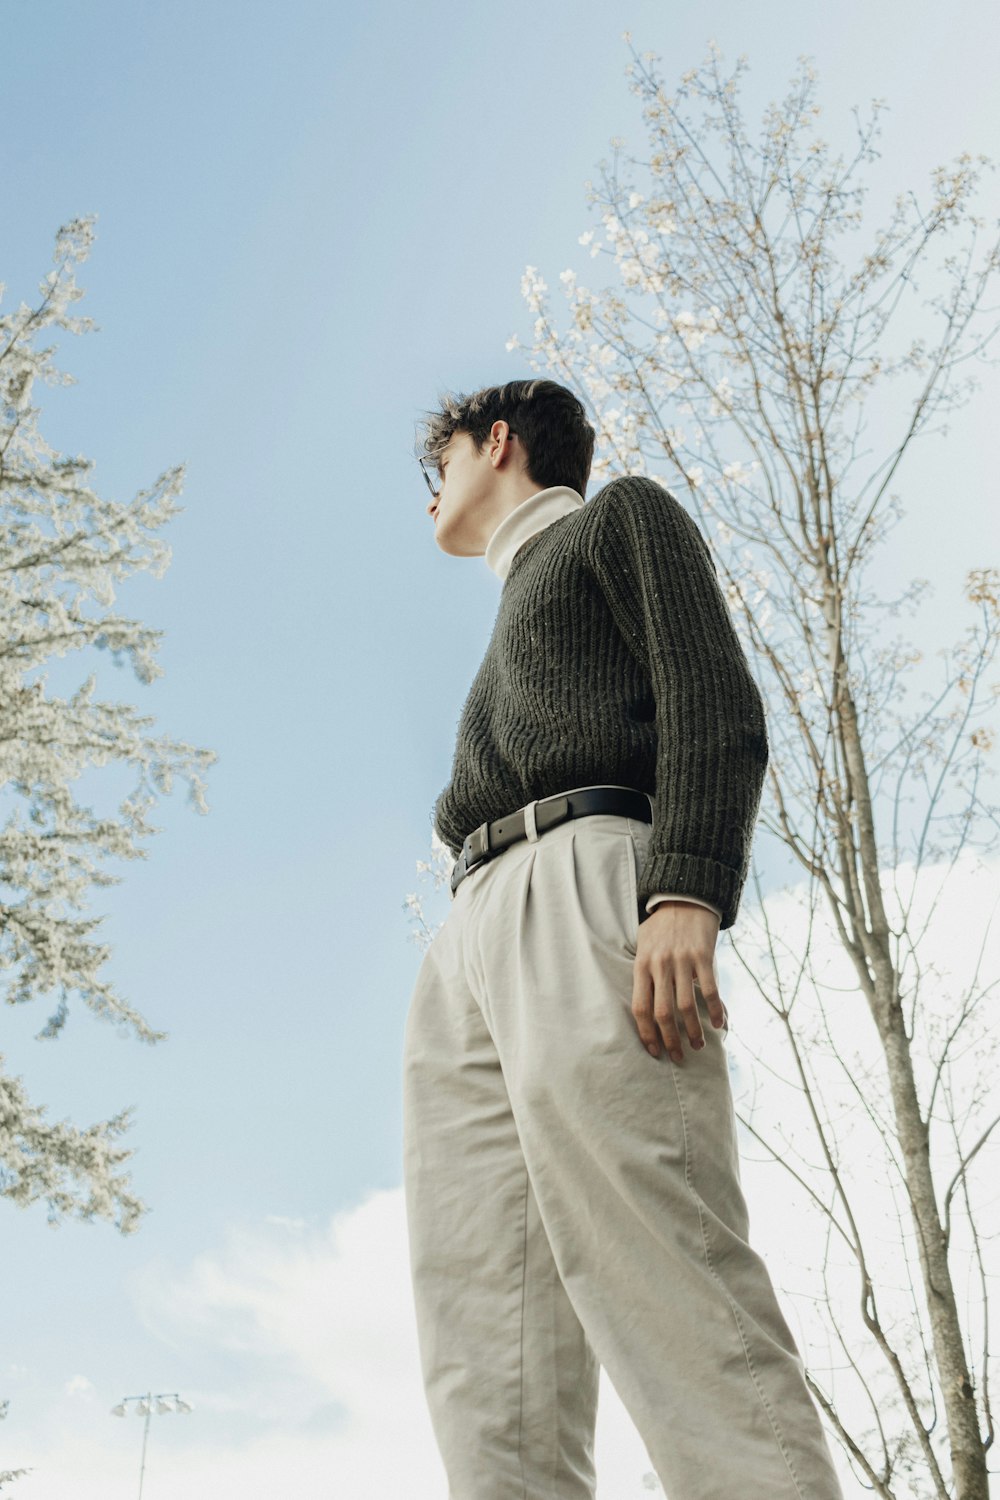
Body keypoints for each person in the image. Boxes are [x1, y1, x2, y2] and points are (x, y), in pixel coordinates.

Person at [402, 377, 843, 1499]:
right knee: (481, 1318)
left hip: (587, 871)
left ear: (498, 441)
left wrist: (684, 890)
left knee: (660, 1263)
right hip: (469, 928)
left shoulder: (617, 518)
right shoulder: (506, 615)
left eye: (436, 465)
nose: (428, 497)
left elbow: (713, 699)